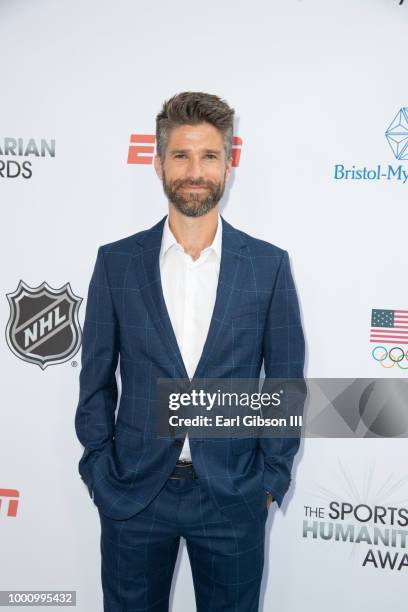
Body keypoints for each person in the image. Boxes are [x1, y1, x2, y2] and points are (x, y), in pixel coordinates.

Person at [75, 91, 305, 612]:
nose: (194, 170)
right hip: (134, 495)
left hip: (232, 497)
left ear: (228, 163)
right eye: (180, 155)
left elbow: (286, 384)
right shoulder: (117, 264)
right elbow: (94, 380)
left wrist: (270, 480)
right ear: (158, 164)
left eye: (208, 156)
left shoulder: (267, 266)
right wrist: (98, 468)